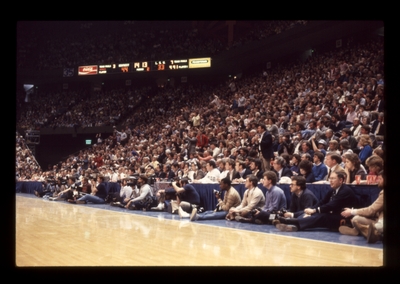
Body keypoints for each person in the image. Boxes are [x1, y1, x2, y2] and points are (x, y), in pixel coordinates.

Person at [275, 171, 359, 232]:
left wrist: (314, 210)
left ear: (341, 180)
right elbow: (322, 202)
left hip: (344, 217)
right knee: (312, 212)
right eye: (330, 178)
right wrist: (311, 210)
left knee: (322, 216)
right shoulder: (332, 189)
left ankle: (289, 221)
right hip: (334, 214)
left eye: (333, 178)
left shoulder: (345, 191)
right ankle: (294, 225)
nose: (330, 180)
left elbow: (331, 205)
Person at [339, 171, 384, 243]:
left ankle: (369, 231)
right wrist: (354, 212)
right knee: (356, 219)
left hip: (382, 221)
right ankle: (365, 230)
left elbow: (371, 210)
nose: (378, 181)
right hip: (377, 219)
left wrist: (352, 211)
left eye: (380, 179)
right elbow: (374, 211)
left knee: (380, 225)